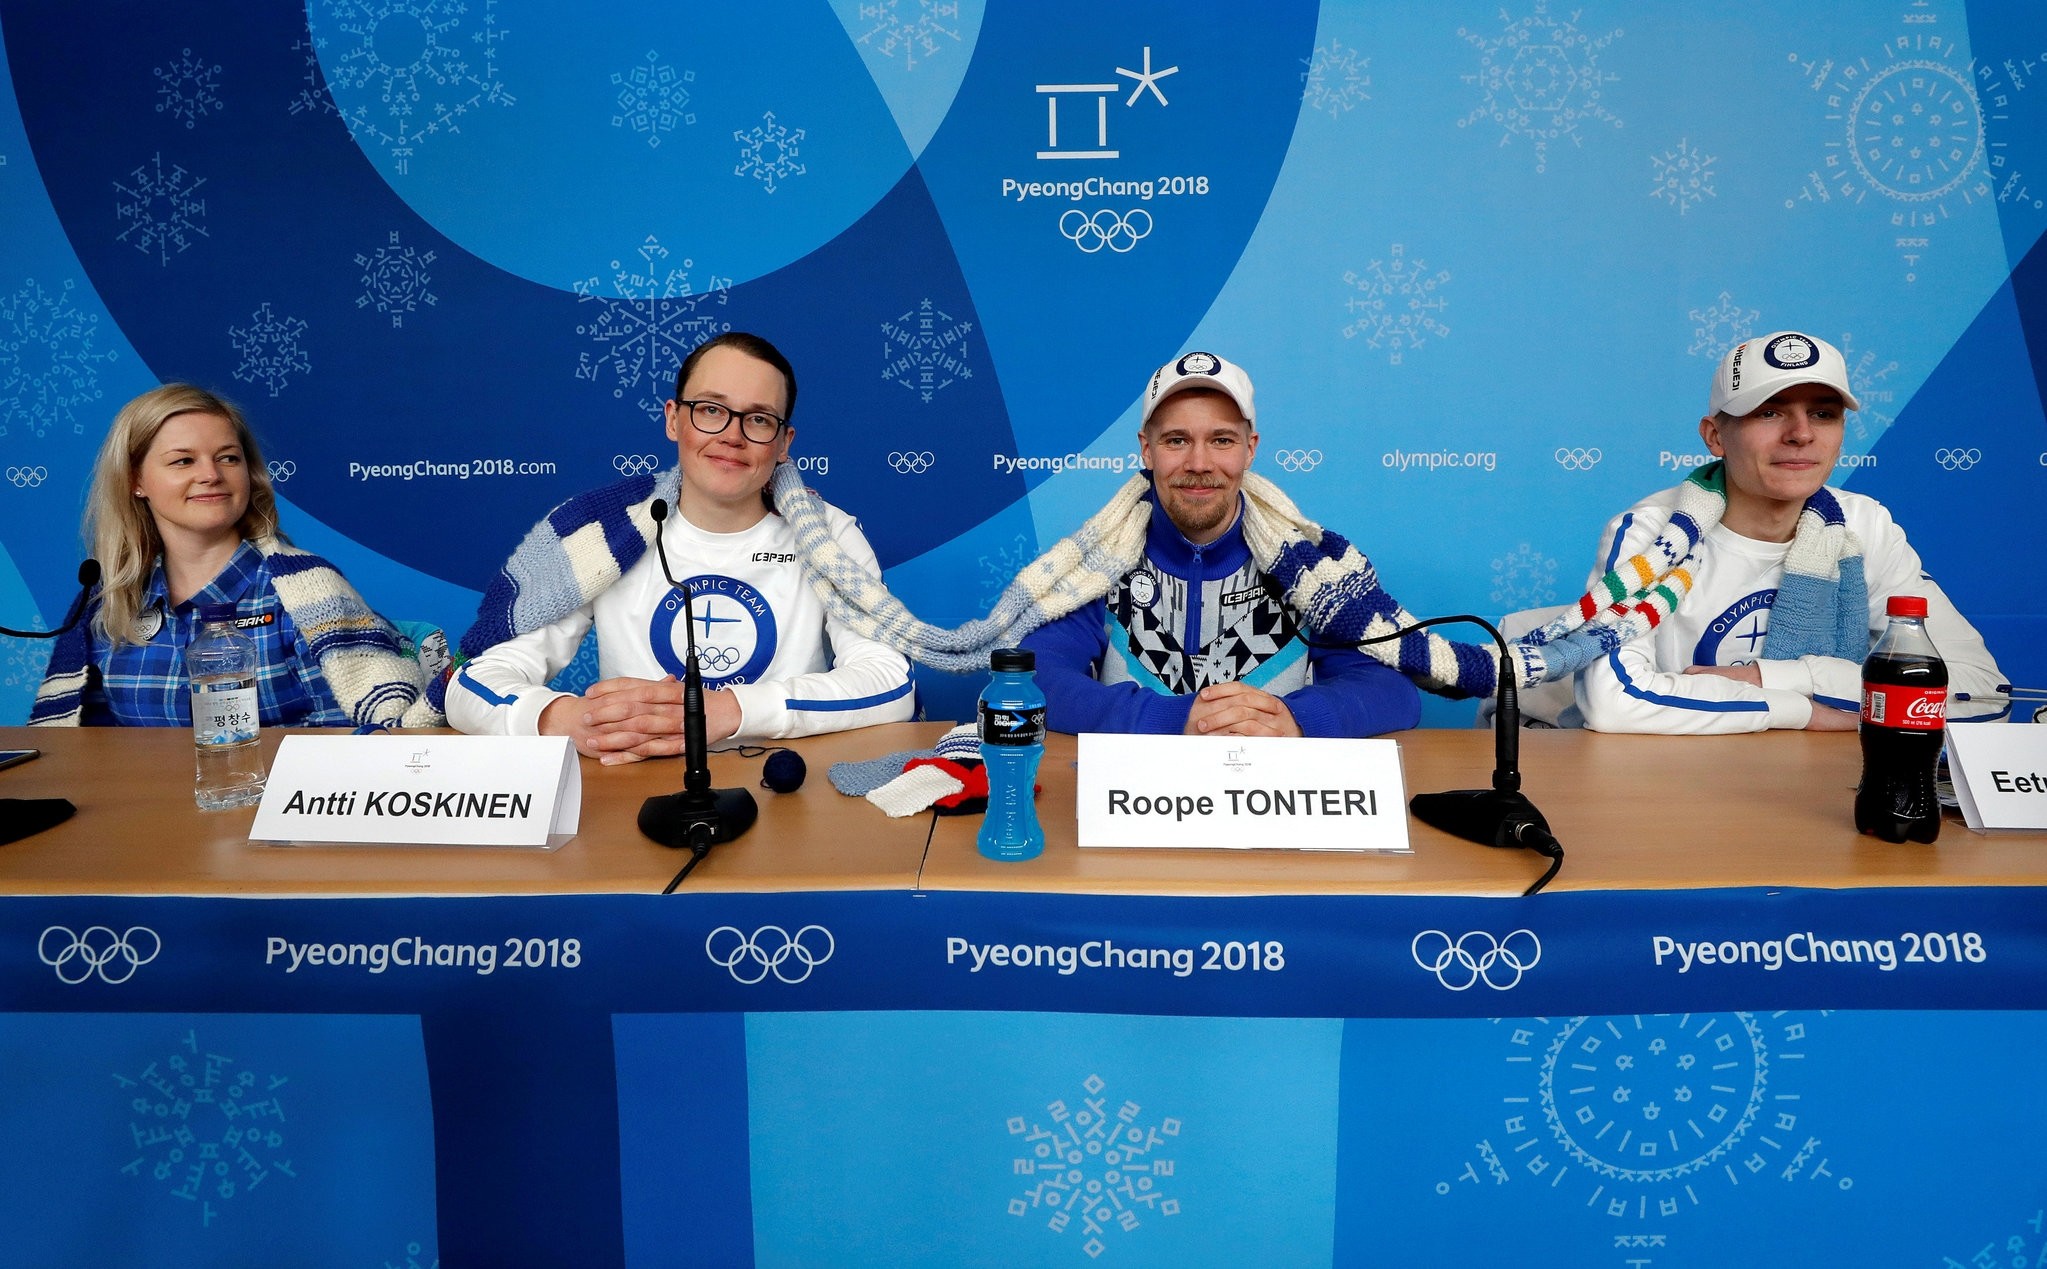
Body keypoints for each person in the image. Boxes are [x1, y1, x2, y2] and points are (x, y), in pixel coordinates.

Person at [443, 331, 915, 761]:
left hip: (784, 792)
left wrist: (731, 711)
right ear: (674, 419)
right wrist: (571, 721)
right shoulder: (604, 531)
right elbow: (470, 685)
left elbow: (891, 685)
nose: (732, 435)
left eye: (758, 419)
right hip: (635, 790)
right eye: (711, 410)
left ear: (783, 442)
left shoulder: (828, 535)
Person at [1567, 330, 2005, 733]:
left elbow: (1985, 693)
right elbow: (1614, 701)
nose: (1801, 434)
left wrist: (1780, 677)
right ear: (1715, 436)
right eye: (1770, 412)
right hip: (1675, 787)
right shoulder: (1654, 533)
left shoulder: (1866, 527)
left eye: (1823, 414)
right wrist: (1804, 710)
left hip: (1820, 787)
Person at [1019, 352, 1422, 737]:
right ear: (1146, 449)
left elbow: (1393, 691)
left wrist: (1296, 718)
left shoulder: (1306, 568)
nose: (1199, 463)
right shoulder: (1101, 562)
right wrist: (1170, 719)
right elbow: (1031, 680)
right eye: (1176, 440)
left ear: (1250, 449)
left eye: (1222, 440)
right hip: (1133, 802)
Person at [31, 384, 438, 728]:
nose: (211, 474)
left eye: (228, 457)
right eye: (183, 461)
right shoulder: (108, 601)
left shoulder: (306, 591)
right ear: (137, 481)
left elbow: (355, 743)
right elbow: (90, 749)